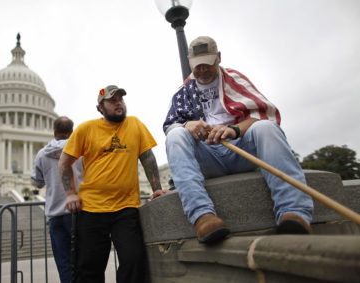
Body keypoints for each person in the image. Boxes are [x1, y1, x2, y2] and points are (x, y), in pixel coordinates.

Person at [163, 36, 314, 244]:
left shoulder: (234, 78)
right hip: (209, 157)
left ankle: (294, 212)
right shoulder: (183, 91)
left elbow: (266, 115)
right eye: (198, 66)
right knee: (176, 135)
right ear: (190, 63)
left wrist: (233, 130)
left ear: (219, 58)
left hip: (241, 149)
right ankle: (202, 216)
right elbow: (170, 126)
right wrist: (187, 126)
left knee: (266, 128)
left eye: (208, 63)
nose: (203, 70)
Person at [59, 85, 167, 283]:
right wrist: (70, 193)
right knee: (90, 266)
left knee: (133, 260)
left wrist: (157, 188)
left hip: (126, 208)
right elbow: (64, 161)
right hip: (91, 208)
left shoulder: (135, 124)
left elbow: (148, 158)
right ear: (101, 107)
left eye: (121, 99)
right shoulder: (86, 128)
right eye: (113, 100)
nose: (119, 103)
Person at [31, 116, 84, 283]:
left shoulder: (41, 154)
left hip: (55, 215)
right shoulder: (80, 151)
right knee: (83, 262)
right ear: (72, 131)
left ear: (54, 132)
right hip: (77, 211)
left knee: (64, 263)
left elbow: (37, 183)